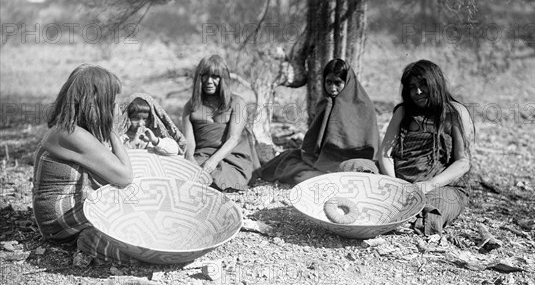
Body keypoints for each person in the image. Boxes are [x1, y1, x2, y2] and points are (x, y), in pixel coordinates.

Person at [32, 64, 136, 263]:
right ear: (98, 103)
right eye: (113, 103)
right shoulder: (72, 135)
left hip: (62, 215)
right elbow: (124, 177)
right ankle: (92, 242)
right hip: (59, 223)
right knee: (134, 215)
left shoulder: (68, 129)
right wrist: (113, 130)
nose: (117, 108)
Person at [377, 59, 475, 236]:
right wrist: (396, 184)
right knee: (356, 167)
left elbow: (463, 162)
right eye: (412, 87)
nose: (418, 92)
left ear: (436, 84)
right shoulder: (403, 112)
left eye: (423, 85)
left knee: (437, 205)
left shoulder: (455, 112)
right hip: (398, 181)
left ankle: (404, 220)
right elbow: (385, 154)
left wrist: (429, 184)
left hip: (440, 186)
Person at [259, 58, 380, 184]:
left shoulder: (364, 106)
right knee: (289, 161)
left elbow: (371, 147)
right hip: (325, 160)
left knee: (361, 168)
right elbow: (313, 143)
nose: (332, 88)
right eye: (328, 82)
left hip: (353, 159)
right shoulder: (326, 103)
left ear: (347, 82)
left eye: (337, 83)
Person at [182, 54, 260, 191]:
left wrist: (211, 163)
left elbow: (233, 138)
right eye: (204, 75)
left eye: (215, 76)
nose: (209, 81)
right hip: (201, 156)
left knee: (219, 179)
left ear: (223, 79)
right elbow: (189, 142)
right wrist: (190, 161)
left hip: (231, 157)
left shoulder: (237, 102)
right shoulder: (190, 106)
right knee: (184, 176)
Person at [120, 93, 187, 156]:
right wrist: (132, 144)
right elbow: (114, 157)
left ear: (152, 119)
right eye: (135, 118)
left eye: (145, 119)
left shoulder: (155, 136)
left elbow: (175, 150)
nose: (140, 124)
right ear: (127, 118)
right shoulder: (122, 138)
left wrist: (155, 140)